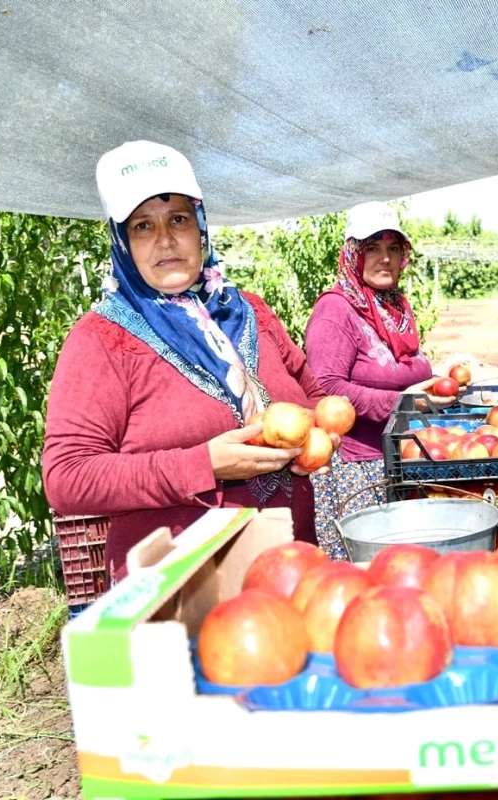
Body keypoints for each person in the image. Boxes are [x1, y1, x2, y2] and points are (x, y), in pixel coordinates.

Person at [43, 140, 334, 582]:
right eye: (142, 226)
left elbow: (313, 394)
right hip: (184, 586)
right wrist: (202, 465)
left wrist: (316, 437)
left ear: (200, 227)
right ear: (122, 241)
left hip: (289, 564)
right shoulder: (102, 339)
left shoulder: (249, 311)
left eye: (178, 218)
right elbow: (68, 477)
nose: (165, 240)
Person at [304, 201, 454, 559]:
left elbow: (402, 372)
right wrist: (404, 402)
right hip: (358, 468)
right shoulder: (336, 310)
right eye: (372, 248)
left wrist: (434, 385)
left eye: (393, 249)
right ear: (353, 254)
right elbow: (326, 389)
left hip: (399, 457)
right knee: (368, 570)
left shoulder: (394, 306)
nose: (384, 259)